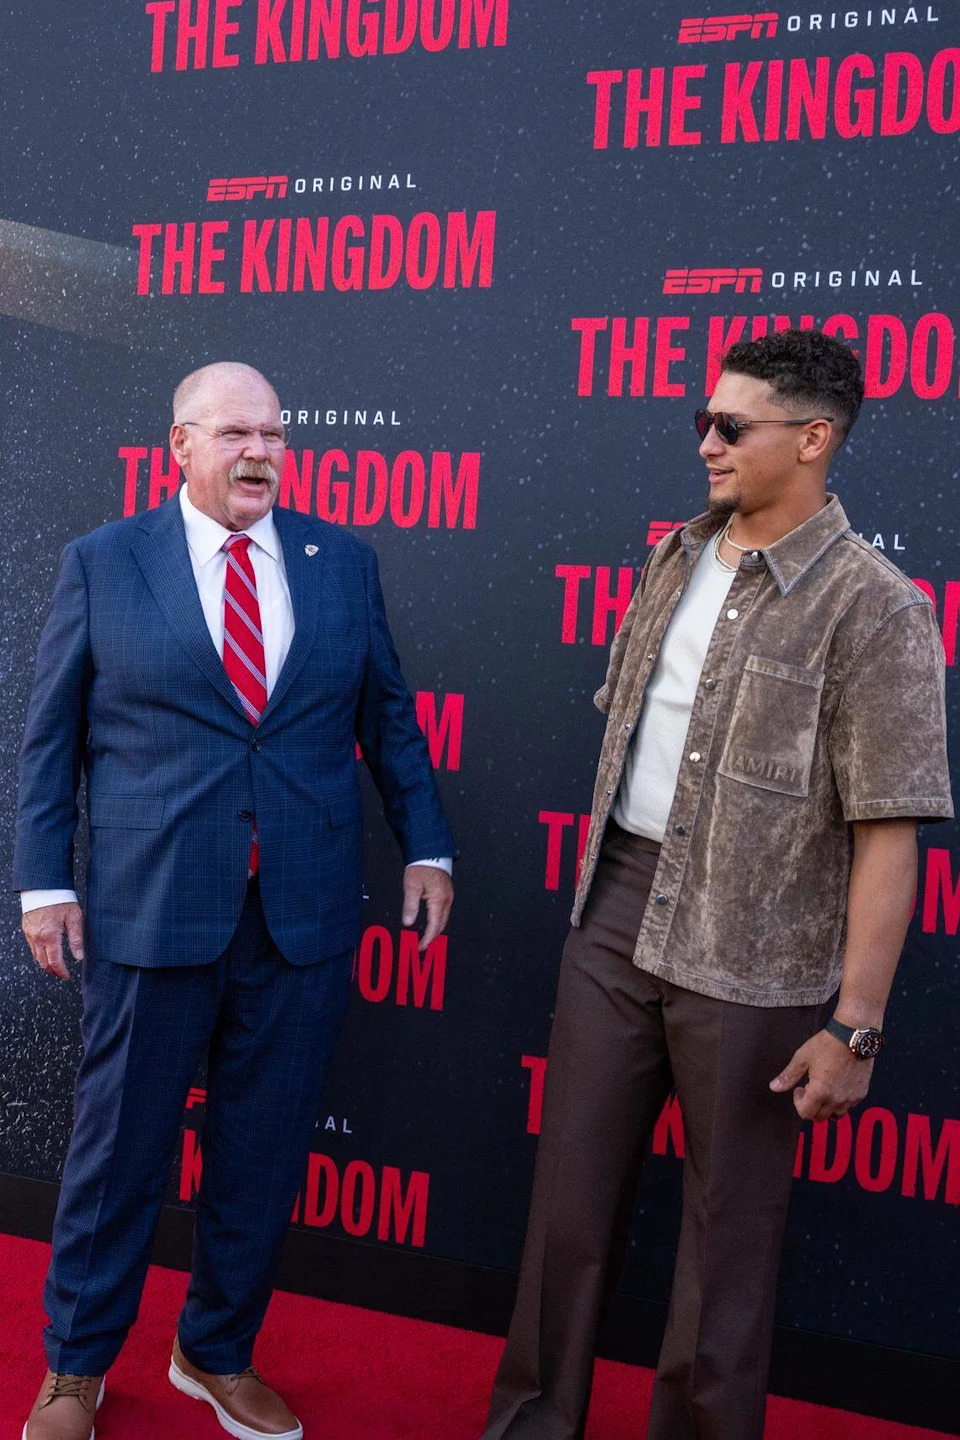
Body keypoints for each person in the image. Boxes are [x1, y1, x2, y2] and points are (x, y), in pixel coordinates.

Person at [481, 329, 952, 1440]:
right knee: (566, 1214)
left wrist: (858, 1025)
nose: (708, 442)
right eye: (704, 420)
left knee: (727, 1242)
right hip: (617, 911)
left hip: (755, 952)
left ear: (814, 437)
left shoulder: (876, 608)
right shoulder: (674, 556)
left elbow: (891, 834)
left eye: (731, 426)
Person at [15, 361, 455, 1440]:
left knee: (261, 1152)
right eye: (233, 433)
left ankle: (213, 1353)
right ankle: (75, 1368)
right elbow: (51, 741)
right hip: (150, 904)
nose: (259, 451)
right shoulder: (106, 562)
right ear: (180, 446)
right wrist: (43, 882)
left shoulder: (341, 563)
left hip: (298, 913)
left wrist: (429, 849)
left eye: (273, 432)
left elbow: (390, 719)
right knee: (119, 1152)